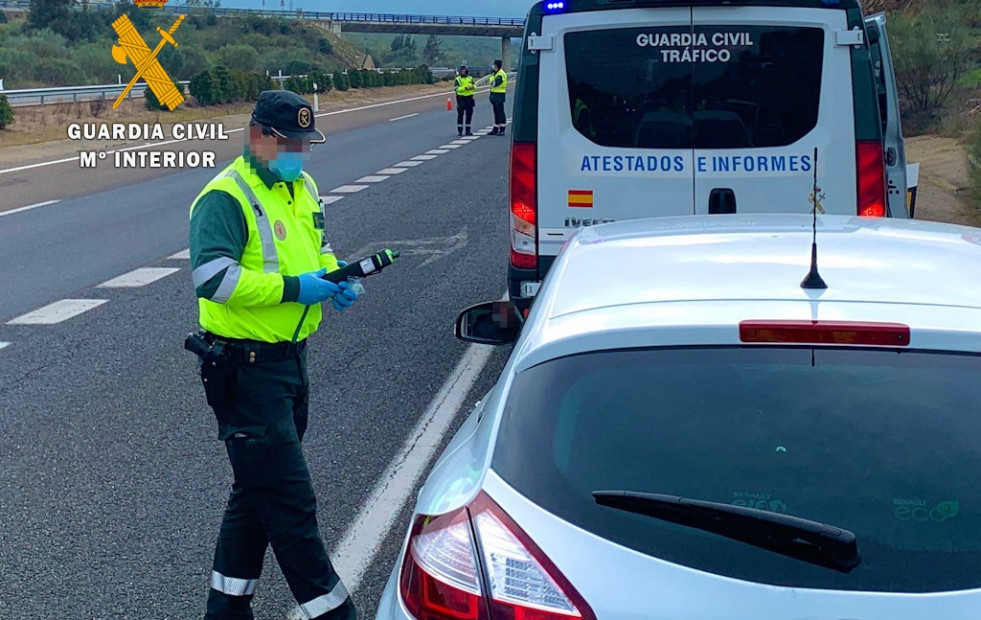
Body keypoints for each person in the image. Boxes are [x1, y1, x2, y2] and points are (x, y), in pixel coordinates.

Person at [187, 89, 358, 620]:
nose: (300, 155)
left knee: (255, 492)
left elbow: (319, 248)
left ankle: (226, 609)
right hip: (245, 370)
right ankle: (335, 613)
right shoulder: (225, 197)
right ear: (259, 137)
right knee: (290, 506)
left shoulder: (302, 187)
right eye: (290, 145)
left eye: (305, 145)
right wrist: (293, 289)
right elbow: (212, 278)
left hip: (290, 362)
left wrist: (334, 278)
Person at [454, 65, 476, 136]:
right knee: (460, 115)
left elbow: (475, 86)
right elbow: (457, 89)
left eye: (465, 70)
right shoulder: (458, 79)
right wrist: (465, 88)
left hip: (469, 98)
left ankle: (468, 130)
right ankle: (460, 131)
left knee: (469, 115)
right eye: (462, 70)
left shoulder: (470, 78)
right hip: (461, 99)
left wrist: (472, 87)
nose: (464, 71)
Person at [489, 59, 508, 136]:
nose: (493, 66)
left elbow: (493, 83)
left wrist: (492, 78)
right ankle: (496, 129)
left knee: (500, 112)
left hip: (499, 95)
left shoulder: (500, 74)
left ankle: (502, 129)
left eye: (494, 65)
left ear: (497, 66)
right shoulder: (495, 74)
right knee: (496, 113)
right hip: (495, 94)